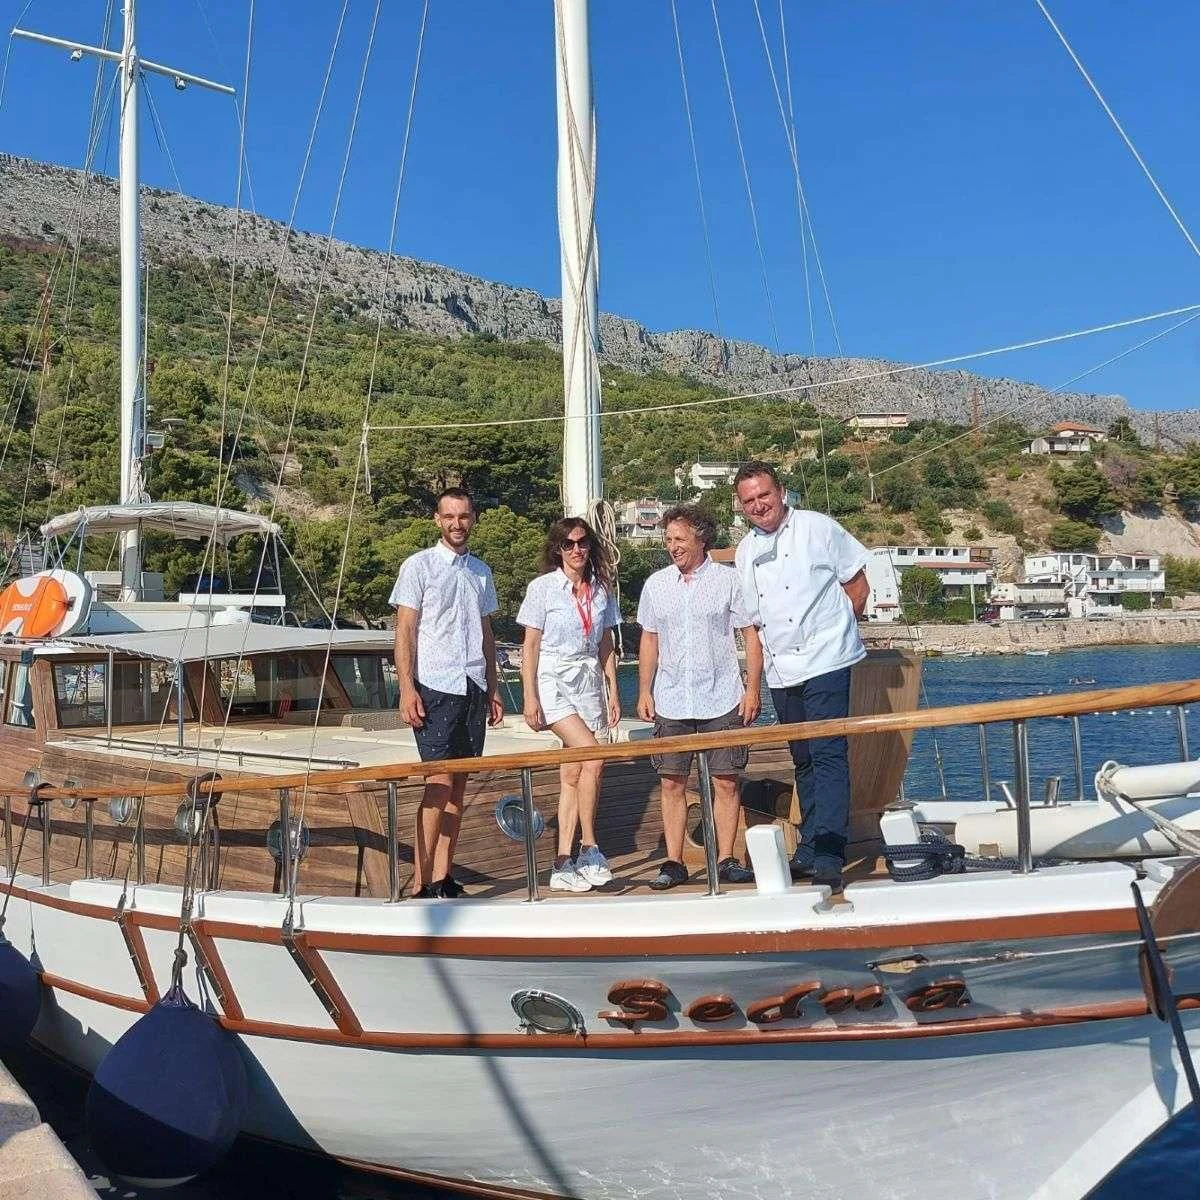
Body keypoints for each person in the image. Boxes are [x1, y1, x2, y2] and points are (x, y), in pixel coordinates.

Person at [732, 461, 870, 891]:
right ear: (741, 506)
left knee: (828, 754)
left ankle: (829, 852)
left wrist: (836, 633)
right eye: (749, 500)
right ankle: (809, 848)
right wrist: (755, 681)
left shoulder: (817, 527)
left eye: (764, 495)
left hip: (827, 658)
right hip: (781, 669)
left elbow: (858, 585)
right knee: (803, 759)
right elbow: (753, 620)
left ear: (782, 492)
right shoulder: (745, 551)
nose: (759, 505)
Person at [636, 505, 763, 890]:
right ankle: (674, 863)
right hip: (671, 698)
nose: (672, 546)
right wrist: (644, 690)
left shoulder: (729, 580)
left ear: (701, 538)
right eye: (668, 539)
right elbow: (649, 639)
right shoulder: (656, 584)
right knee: (671, 782)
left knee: (726, 781)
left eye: (679, 539)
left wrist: (753, 689)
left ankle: (726, 859)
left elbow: (750, 634)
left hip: (722, 695)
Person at [392, 487, 505, 898]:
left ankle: (443, 877)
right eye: (450, 517)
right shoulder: (418, 566)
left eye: (464, 516)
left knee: (458, 785)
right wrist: (407, 687)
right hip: (435, 685)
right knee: (438, 783)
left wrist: (493, 687)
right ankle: (420, 882)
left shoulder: (481, 571)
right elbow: (405, 629)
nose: (457, 524)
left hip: (472, 686)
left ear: (473, 519)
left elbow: (486, 633)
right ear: (438, 520)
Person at [518, 517, 621, 892]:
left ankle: (562, 862)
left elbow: (606, 642)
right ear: (557, 550)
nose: (576, 549)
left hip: (588, 679)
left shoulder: (601, 589)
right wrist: (529, 695)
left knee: (573, 773)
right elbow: (530, 646)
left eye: (582, 542)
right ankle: (589, 847)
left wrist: (613, 689)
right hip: (553, 677)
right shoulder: (543, 588)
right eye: (568, 544)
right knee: (593, 757)